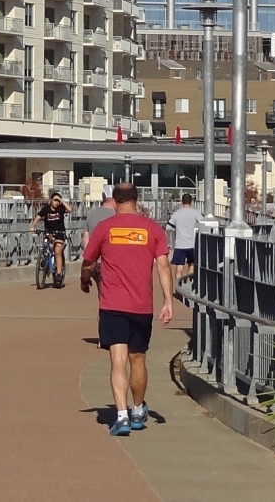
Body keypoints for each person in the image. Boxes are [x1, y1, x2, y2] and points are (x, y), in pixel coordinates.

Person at [80, 183, 173, 438]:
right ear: (136, 199)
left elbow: (88, 262)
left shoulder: (105, 228)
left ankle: (120, 417)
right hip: (142, 306)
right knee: (138, 359)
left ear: (115, 200)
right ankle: (137, 410)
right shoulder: (152, 229)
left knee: (117, 361)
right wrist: (168, 301)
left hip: (112, 304)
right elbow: (163, 266)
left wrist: (84, 280)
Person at [167, 193, 203, 289]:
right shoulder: (196, 213)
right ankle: (190, 285)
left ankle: (178, 287)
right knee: (192, 264)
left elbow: (168, 227)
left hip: (180, 245)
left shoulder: (176, 214)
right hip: (192, 244)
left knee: (179, 267)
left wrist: (177, 230)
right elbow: (203, 225)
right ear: (191, 202)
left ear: (181, 202)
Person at [34, 191, 70, 286]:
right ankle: (45, 259)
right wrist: (32, 226)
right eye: (55, 200)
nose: (56, 202)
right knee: (45, 244)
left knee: (57, 250)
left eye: (58, 201)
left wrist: (62, 200)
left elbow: (70, 209)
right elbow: (38, 217)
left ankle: (58, 273)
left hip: (59, 233)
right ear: (51, 200)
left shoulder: (61, 208)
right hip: (49, 232)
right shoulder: (46, 209)